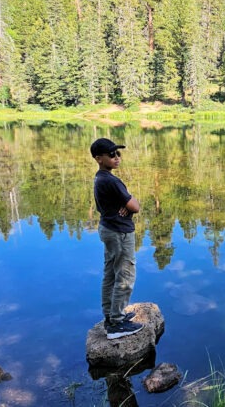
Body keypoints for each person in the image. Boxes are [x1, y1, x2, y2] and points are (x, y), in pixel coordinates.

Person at [91, 137, 143, 339]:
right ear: (99, 158)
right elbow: (136, 206)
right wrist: (129, 203)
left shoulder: (100, 179)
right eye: (111, 155)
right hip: (119, 233)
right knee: (125, 275)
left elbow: (122, 205)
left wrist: (124, 205)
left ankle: (110, 316)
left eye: (118, 153)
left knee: (110, 274)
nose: (117, 157)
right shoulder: (111, 181)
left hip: (108, 229)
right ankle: (117, 324)